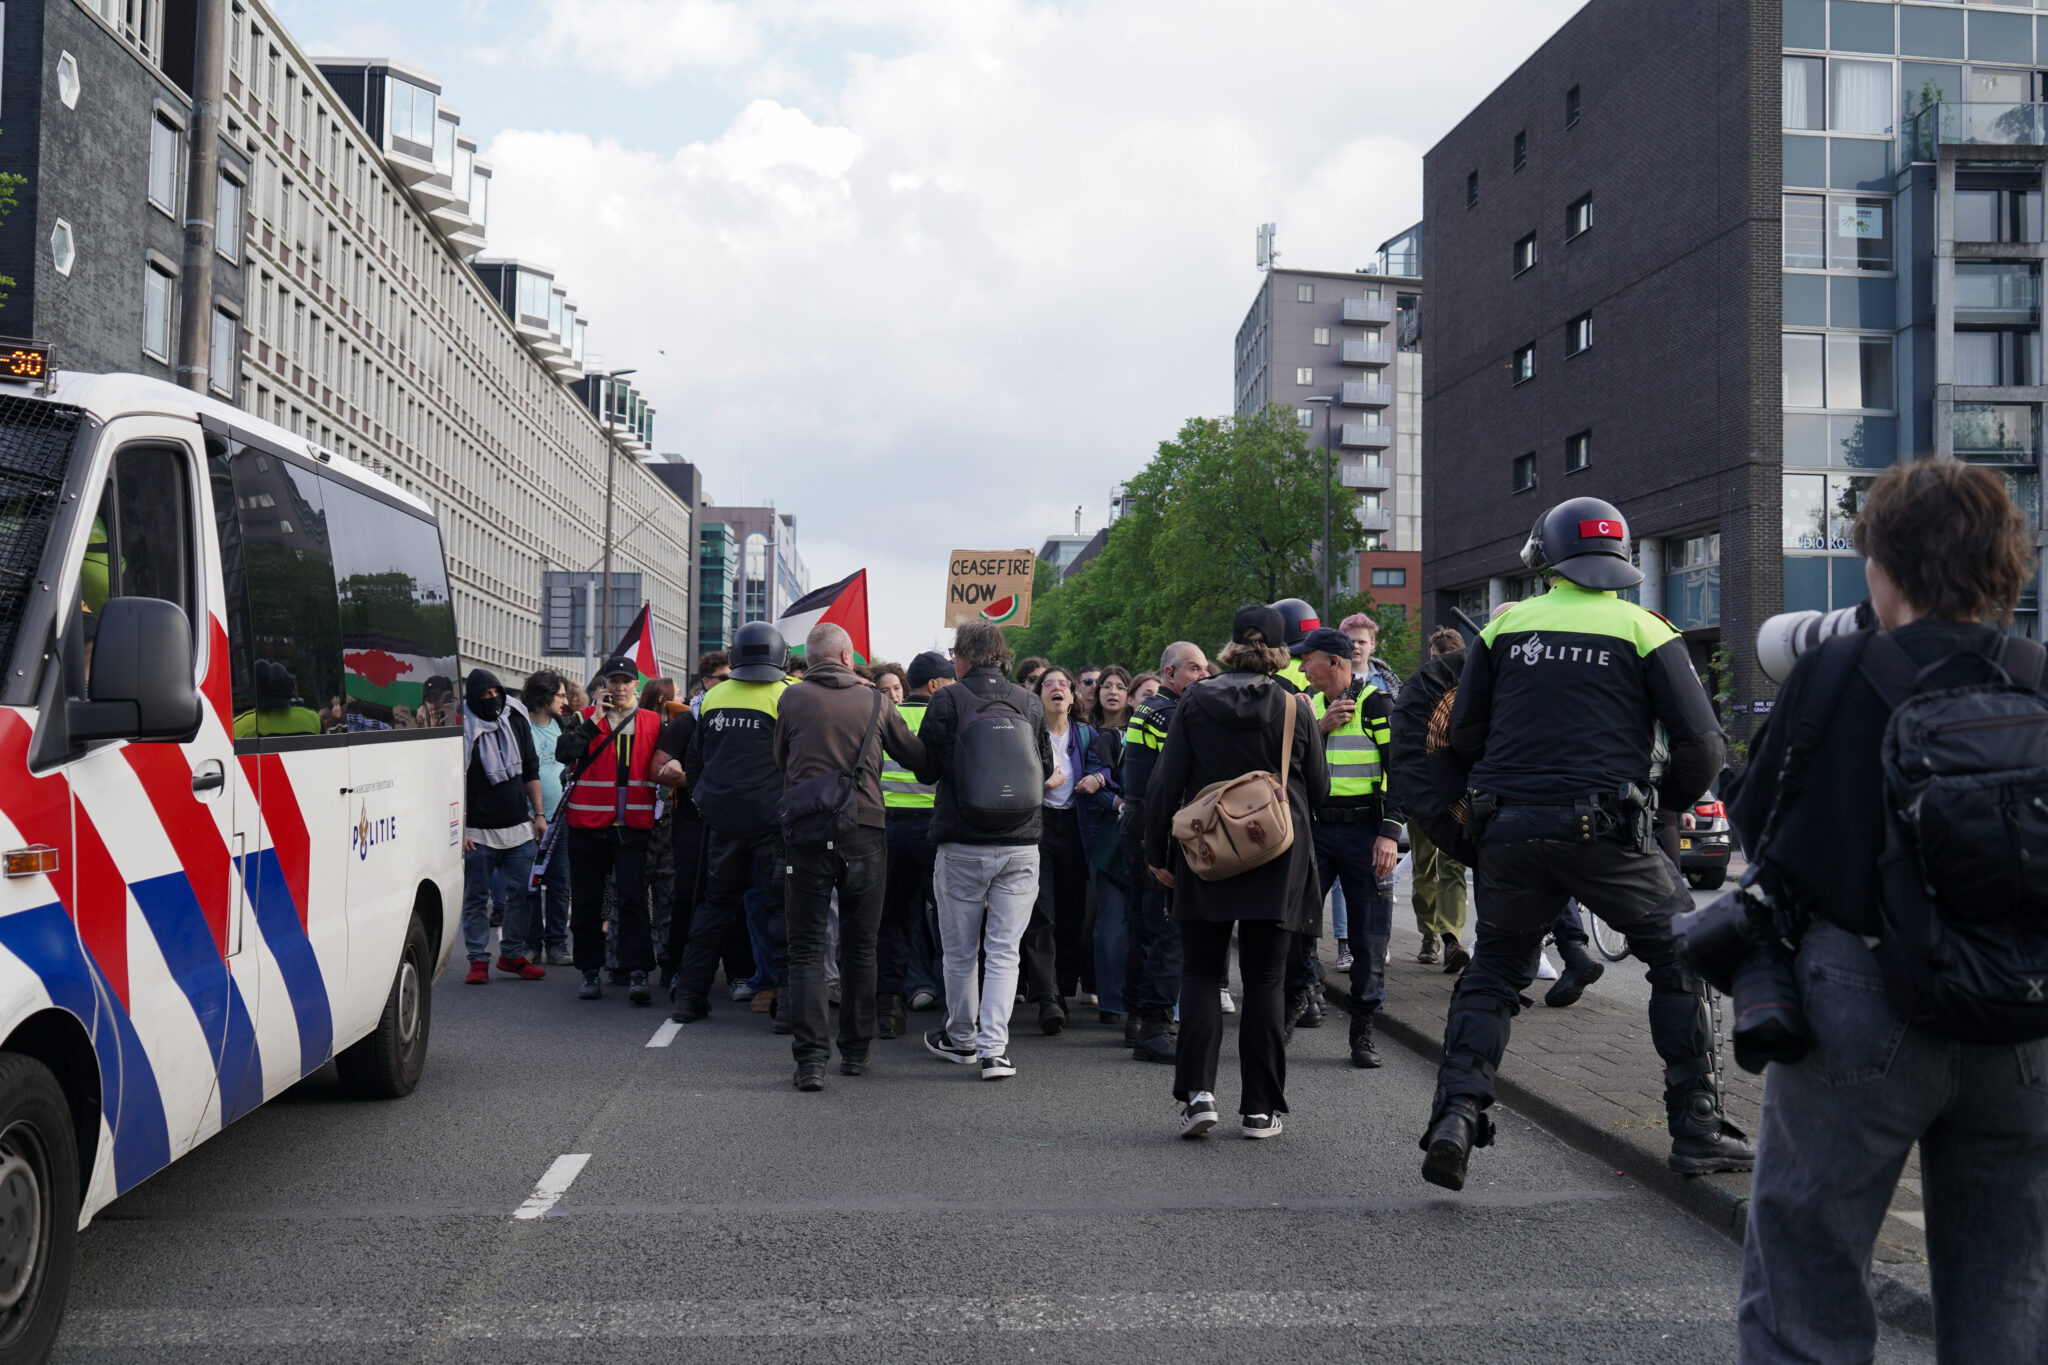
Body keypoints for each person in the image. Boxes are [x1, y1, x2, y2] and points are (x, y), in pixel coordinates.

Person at [1729, 459, 2047, 1364]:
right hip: (2021, 1016)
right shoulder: (2037, 677)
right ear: (2006, 567)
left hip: (1859, 1003)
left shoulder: (1833, 672)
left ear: (1885, 566)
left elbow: (1761, 823)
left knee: (1807, 1272)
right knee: (2012, 1274)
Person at [1418, 497, 1751, 1190]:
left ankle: (1455, 1114)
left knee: (1497, 967)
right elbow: (1702, 744)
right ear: (1622, 558)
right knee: (1682, 952)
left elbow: (1466, 736)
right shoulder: (1645, 628)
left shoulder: (1504, 626)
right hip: (1606, 830)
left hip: (1508, 830)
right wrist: (1662, 805)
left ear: (1545, 558)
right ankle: (1696, 1128)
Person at [1146, 605, 1328, 1140]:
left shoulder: (1194, 701)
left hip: (1206, 854)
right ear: (1279, 652)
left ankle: (1200, 1096)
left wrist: (1158, 852)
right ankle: (1259, 1109)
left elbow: (1165, 782)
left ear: (1228, 648)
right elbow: (1317, 789)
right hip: (1277, 854)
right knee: (1266, 978)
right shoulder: (1294, 706)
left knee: (1201, 972)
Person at [774, 623, 928, 1090]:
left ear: (813, 658)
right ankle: (856, 1053)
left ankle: (810, 1062)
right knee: (861, 948)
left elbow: (781, 758)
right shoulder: (877, 701)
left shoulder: (792, 698)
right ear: (846, 658)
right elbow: (918, 758)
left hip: (806, 831)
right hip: (864, 830)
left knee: (805, 949)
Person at [912, 621, 1054, 1081]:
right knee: (1003, 950)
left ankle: (961, 1038)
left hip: (962, 841)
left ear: (964, 657)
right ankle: (996, 1051)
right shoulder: (1028, 701)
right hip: (1021, 843)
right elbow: (1045, 766)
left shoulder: (947, 699)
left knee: (959, 951)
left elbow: (927, 773)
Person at [671, 622, 796, 1027]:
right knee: (782, 912)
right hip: (772, 822)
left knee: (713, 907)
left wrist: (707, 803)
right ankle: (788, 1009)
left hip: (723, 823)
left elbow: (696, 760)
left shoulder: (712, 696)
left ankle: (690, 998)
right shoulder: (789, 693)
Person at [1299, 627, 1400, 1069]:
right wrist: (1318, 730)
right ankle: (1307, 992)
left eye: (1309, 660)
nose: (1302, 667)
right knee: (1295, 924)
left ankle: (1362, 1031)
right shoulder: (1310, 706)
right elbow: (1292, 767)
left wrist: (1390, 833)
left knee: (1367, 937)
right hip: (1318, 831)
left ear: (1334, 662)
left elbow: (1402, 770)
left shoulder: (1375, 703)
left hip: (1365, 834)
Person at [554, 657, 664, 1004]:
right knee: (588, 902)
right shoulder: (584, 718)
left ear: (636, 686)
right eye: (613, 682)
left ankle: (637, 971)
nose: (618, 688)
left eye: (625, 682)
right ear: (603, 686)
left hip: (633, 825)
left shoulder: (652, 721)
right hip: (587, 825)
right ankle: (590, 970)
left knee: (632, 901)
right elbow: (564, 754)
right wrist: (595, 720)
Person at [1119, 641, 1206, 1062]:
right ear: (1170, 674)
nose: (1203, 676)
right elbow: (1174, 781)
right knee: (1168, 934)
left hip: (1143, 828)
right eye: (1194, 669)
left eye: (1205, 668)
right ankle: (1154, 1030)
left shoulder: (1150, 709)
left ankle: (1138, 1017)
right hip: (1160, 832)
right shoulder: (1172, 714)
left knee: (1148, 930)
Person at [1022, 667, 1110, 1034]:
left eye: (1063, 685)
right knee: (1041, 913)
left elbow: (1104, 765)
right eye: (1049, 685)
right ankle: (1048, 997)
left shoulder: (1086, 734)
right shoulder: (1027, 734)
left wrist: (1099, 777)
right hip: (1038, 827)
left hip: (1076, 827)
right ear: (1039, 697)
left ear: (1073, 697)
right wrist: (1041, 784)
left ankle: (1063, 985)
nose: (1057, 689)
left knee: (1073, 914)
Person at [878, 650, 951, 1031]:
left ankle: (889, 1009)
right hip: (937, 832)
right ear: (936, 684)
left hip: (889, 829)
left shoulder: (886, 715)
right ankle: (952, 1012)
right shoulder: (948, 716)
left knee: (893, 920)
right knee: (946, 924)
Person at [458, 668, 547, 984]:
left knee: (523, 893)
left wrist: (538, 815)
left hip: (518, 827)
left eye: (495, 692)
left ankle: (511, 955)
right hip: (478, 831)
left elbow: (530, 768)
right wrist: (461, 829)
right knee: (477, 898)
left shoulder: (515, 715)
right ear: (472, 698)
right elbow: (454, 782)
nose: (492, 700)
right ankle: (477, 959)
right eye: (484, 696)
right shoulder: (463, 726)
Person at [1400, 628, 1470, 967]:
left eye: (1444, 661)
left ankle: (1451, 937)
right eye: (1434, 661)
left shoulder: (1471, 690)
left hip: (1457, 793)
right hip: (1423, 790)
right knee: (1423, 868)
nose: (1438, 668)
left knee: (1453, 864)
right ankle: (1429, 933)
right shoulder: (1418, 689)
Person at [1085, 665, 1137, 1026]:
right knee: (1111, 925)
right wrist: (1122, 805)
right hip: (1108, 838)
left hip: (1151, 836)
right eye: (1107, 686)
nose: (1113, 692)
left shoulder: (1145, 732)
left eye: (1122, 687)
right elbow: (1093, 789)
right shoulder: (1094, 736)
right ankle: (1112, 1000)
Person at [521, 669, 575, 966]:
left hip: (562, 817)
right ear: (544, 696)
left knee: (560, 882)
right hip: (528, 817)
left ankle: (556, 944)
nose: (565, 700)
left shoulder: (564, 725)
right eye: (560, 695)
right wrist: (527, 812)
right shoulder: (520, 726)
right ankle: (532, 943)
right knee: (530, 884)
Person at [1339, 611, 1403, 698]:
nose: (1355, 646)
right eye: (1351, 641)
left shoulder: (1387, 681)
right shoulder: (1330, 677)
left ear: (1372, 644)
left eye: (1362, 642)